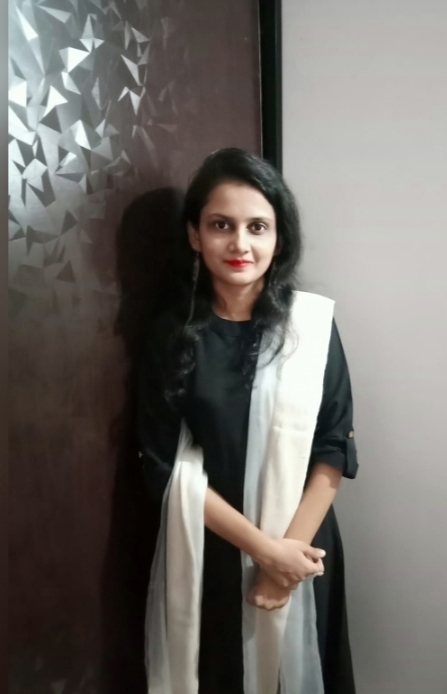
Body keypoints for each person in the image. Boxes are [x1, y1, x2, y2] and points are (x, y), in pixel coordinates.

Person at [137, 148, 358, 694]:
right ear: (195, 235)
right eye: (221, 225)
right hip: (213, 548)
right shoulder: (172, 335)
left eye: (257, 227)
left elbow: (333, 448)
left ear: (279, 238)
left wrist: (285, 562)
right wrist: (264, 552)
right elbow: (163, 467)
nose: (240, 244)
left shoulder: (310, 328)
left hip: (303, 544)